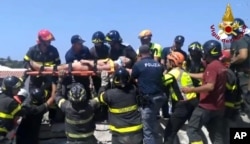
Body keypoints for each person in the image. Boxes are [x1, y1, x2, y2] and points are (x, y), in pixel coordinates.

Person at [182, 40, 227, 144]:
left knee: (192, 130)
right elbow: (204, 76)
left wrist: (191, 90)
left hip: (206, 106)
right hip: (218, 107)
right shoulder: (219, 65)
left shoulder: (212, 66)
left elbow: (210, 86)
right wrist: (188, 74)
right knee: (216, 134)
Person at [97, 67, 143, 144]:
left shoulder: (109, 95)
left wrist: (104, 84)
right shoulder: (134, 90)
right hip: (136, 132)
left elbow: (100, 97)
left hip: (119, 134)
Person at [131, 45, 166, 144]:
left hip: (148, 100)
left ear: (140, 54)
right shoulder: (158, 64)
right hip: (160, 98)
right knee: (153, 122)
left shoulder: (138, 64)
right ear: (150, 52)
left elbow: (132, 78)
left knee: (147, 130)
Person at [162, 52, 198, 144]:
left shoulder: (173, 73)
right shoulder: (183, 71)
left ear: (173, 62)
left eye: (168, 61)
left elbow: (160, 82)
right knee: (192, 131)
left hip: (183, 106)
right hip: (193, 103)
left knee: (169, 132)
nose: (166, 63)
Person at [55, 70, 100, 144]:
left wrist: (60, 80)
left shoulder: (66, 107)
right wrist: (95, 83)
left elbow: (57, 96)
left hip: (72, 141)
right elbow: (99, 98)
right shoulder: (91, 105)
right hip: (89, 140)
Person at [229, 18, 250, 116]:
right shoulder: (246, 38)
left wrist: (231, 62)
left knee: (247, 100)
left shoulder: (240, 39)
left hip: (245, 75)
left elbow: (243, 55)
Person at [65, 34, 92, 100]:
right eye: (79, 43)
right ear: (73, 44)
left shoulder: (85, 49)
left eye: (81, 43)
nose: (81, 45)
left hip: (86, 77)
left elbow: (90, 61)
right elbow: (70, 69)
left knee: (88, 95)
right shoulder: (69, 55)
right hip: (75, 79)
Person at [29, 56, 131, 72]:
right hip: (86, 65)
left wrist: (87, 62)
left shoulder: (116, 65)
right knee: (63, 66)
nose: (124, 56)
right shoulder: (115, 62)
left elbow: (101, 68)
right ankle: (43, 68)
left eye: (126, 58)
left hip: (86, 66)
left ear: (124, 63)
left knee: (64, 67)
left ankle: (42, 68)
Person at [0, 76, 23, 143]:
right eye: (17, 88)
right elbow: (18, 117)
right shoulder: (12, 103)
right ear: (10, 89)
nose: (19, 90)